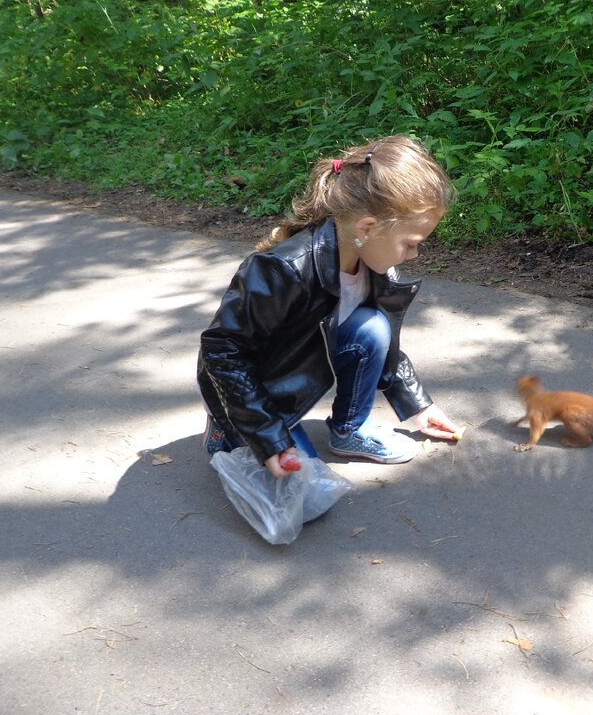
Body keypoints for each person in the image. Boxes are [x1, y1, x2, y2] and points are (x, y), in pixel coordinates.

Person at [197, 135, 462, 479]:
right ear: (367, 228)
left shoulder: (375, 264)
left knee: (373, 326)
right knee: (305, 495)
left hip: (294, 373)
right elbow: (221, 350)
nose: (414, 255)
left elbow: (384, 344)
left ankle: (349, 428)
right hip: (259, 392)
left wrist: (417, 405)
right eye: (410, 244)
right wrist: (267, 436)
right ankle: (226, 429)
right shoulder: (284, 268)